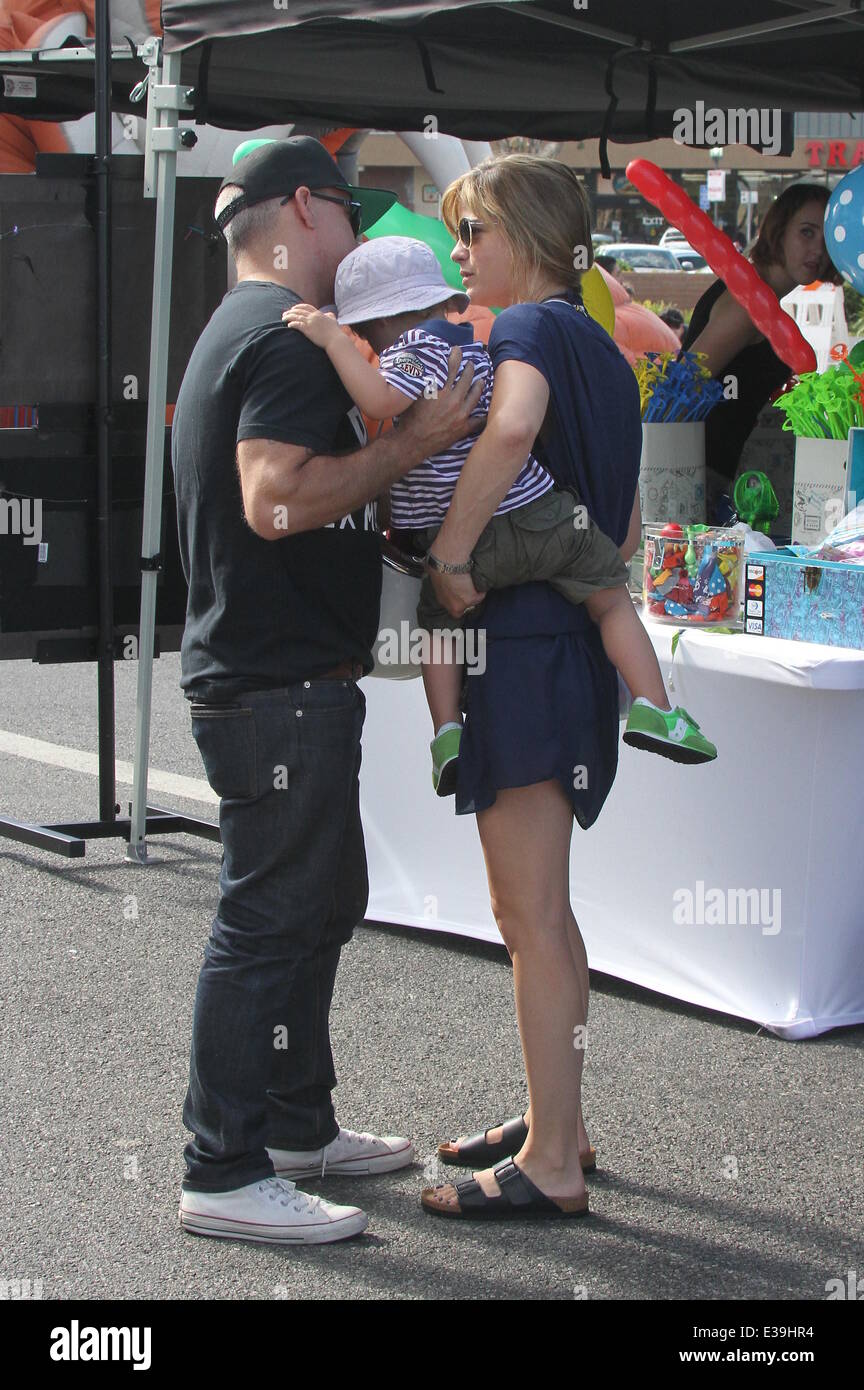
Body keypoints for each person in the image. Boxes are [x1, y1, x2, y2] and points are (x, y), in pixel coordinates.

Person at [171, 137, 484, 1245]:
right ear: (303, 209)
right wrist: (421, 445)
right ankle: (223, 1165)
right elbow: (275, 503)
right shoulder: (286, 338)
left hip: (280, 680)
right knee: (268, 922)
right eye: (351, 213)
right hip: (277, 686)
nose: (362, 240)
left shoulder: (243, 329)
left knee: (316, 906)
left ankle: (294, 1126)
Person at [412, 152, 667, 1222]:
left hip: (522, 647)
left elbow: (510, 427)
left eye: (474, 233)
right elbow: (627, 532)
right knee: (543, 914)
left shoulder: (524, 332)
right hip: (565, 649)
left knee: (530, 913)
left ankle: (554, 1158)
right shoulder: (608, 353)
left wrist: (453, 551)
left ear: (524, 235)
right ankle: (553, 1119)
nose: (460, 254)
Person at [285, 235, 716, 793]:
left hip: (450, 541)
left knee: (438, 625)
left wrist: (330, 340)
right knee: (609, 594)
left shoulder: (413, 350)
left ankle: (447, 734)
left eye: (362, 331)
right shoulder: (469, 350)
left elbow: (377, 399)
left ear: (379, 321)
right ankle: (655, 708)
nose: (363, 342)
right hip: (527, 517)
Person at [681, 183, 841, 522]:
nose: (817, 250)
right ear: (779, 230)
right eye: (806, 233)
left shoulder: (759, 299)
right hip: (697, 487)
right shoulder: (747, 306)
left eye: (825, 239)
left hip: (714, 482)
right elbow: (678, 388)